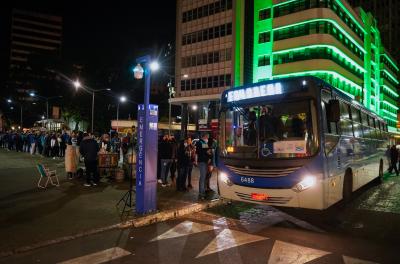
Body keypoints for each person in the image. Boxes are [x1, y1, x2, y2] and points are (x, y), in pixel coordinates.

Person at [195, 133, 210, 200]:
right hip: (202, 162)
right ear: (204, 136)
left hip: (204, 161)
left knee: (204, 177)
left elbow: (207, 152)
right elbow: (206, 152)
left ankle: (203, 191)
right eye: (207, 137)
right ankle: (201, 193)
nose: (208, 138)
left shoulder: (202, 142)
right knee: (203, 177)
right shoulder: (201, 142)